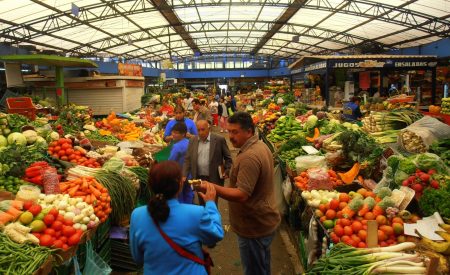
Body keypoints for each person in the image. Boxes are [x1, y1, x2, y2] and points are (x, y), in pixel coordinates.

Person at [200, 112, 281, 275]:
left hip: (254, 226)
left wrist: (212, 188)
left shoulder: (250, 157)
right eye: (229, 131)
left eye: (235, 132)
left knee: (254, 270)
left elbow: (242, 194)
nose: (230, 136)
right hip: (263, 220)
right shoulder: (260, 146)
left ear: (249, 131)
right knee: (262, 266)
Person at [129, 161, 224, 275]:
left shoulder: (137, 215)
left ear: (150, 185)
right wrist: (210, 205)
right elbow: (216, 235)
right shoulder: (196, 213)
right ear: (180, 185)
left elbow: (138, 259)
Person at [183, 119, 232, 204]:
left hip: (213, 178)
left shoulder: (219, 140)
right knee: (201, 200)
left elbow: (228, 157)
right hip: (198, 178)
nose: (201, 132)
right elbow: (188, 159)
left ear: (208, 129)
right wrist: (184, 175)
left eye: (203, 129)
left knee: (212, 202)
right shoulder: (192, 140)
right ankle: (205, 216)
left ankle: (213, 217)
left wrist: (227, 170)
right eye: (198, 130)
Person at [168, 122, 193, 204]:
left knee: (180, 194)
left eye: (176, 133)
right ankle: (189, 206)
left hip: (179, 175)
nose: (173, 134)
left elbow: (171, 161)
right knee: (189, 192)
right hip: (189, 174)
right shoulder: (189, 142)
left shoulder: (177, 146)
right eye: (173, 132)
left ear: (183, 134)